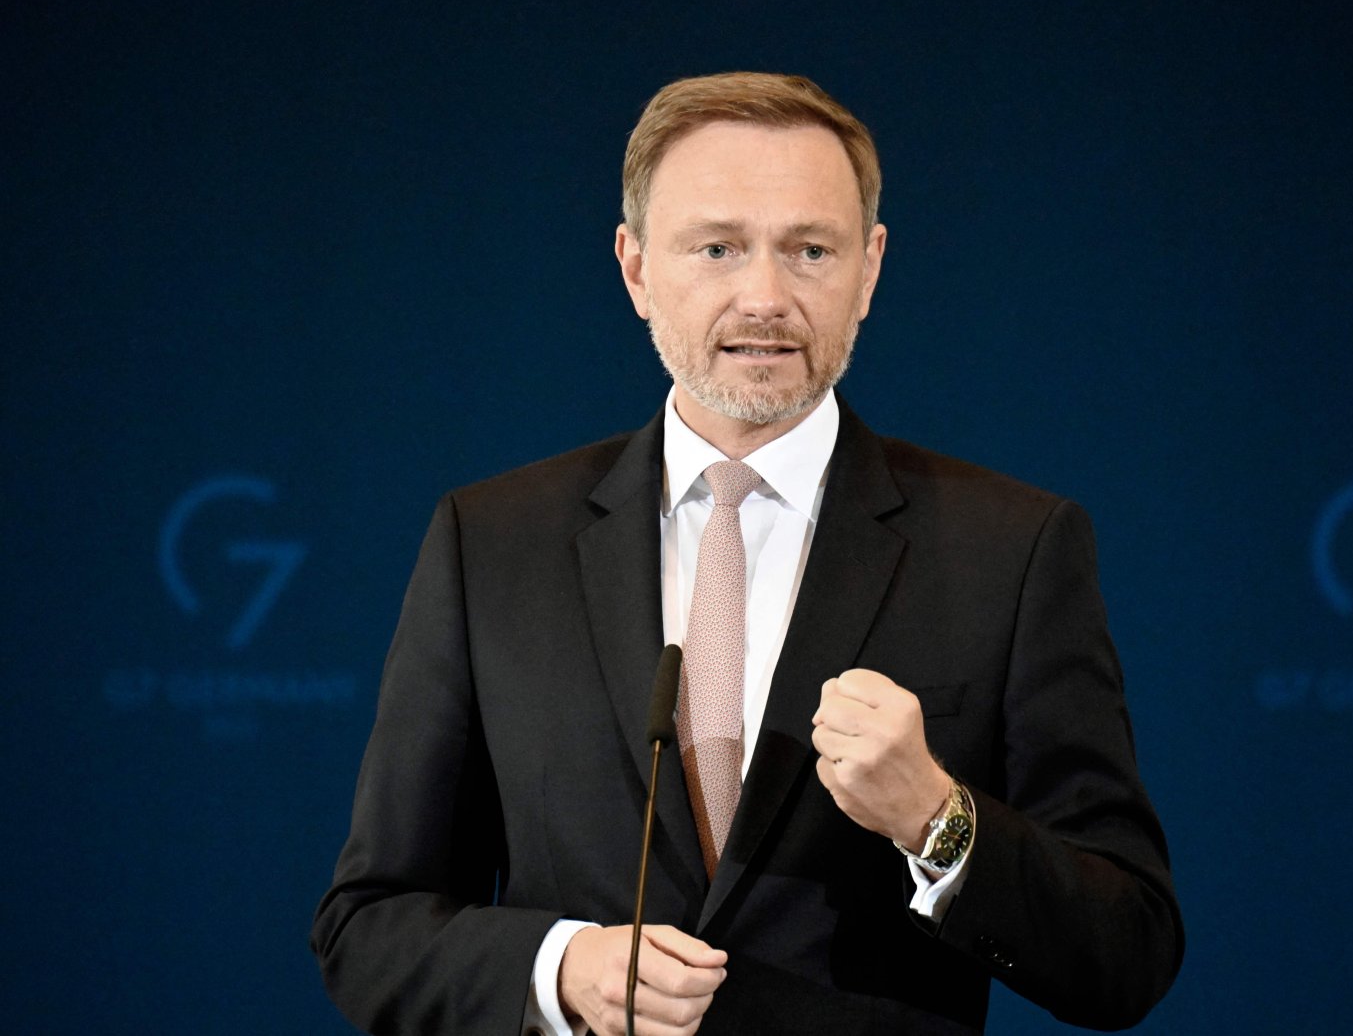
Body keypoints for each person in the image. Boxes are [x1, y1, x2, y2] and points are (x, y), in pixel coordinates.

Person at [312, 72, 1182, 1036]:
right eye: (718, 248)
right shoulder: (491, 542)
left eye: (810, 250)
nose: (765, 298)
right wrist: (560, 970)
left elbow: (1128, 952)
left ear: (870, 269)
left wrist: (938, 820)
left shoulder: (1011, 549)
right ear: (636, 268)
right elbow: (369, 926)